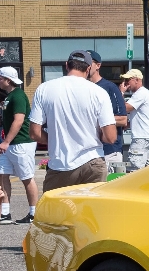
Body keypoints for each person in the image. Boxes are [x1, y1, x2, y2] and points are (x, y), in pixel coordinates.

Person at [28, 50, 116, 192]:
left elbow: (34, 133)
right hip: (92, 163)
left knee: (56, 212)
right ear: (88, 68)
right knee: (91, 212)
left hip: (60, 164)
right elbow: (111, 137)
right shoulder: (99, 92)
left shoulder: (44, 89)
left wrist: (56, 139)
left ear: (67, 65)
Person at [0, 67, 37, 224]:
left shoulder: (18, 95)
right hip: (11, 144)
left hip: (22, 143)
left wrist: (6, 142)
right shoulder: (10, 96)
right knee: (2, 174)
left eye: (0, 78)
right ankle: (5, 213)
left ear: (8, 80)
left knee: (26, 178)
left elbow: (19, 120)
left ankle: (34, 213)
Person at [86, 50, 128, 170]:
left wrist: (97, 119)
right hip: (88, 153)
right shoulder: (81, 88)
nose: (86, 66)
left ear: (98, 65)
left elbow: (123, 120)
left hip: (110, 151)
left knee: (112, 188)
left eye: (89, 62)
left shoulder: (110, 87)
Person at [121, 69, 149, 172]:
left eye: (128, 80)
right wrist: (129, 124)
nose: (126, 83)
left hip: (141, 137)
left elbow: (126, 108)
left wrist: (121, 93)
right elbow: (141, 115)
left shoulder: (140, 93)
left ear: (137, 80)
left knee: (135, 171)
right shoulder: (146, 93)